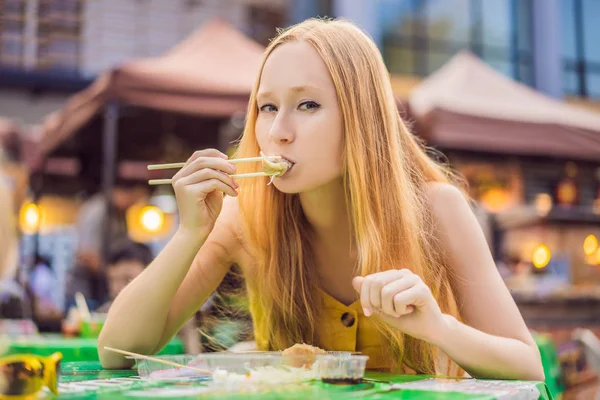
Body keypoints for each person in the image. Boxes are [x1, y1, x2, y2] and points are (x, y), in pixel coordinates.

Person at [99, 18, 544, 380]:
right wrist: (190, 233)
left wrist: (439, 328)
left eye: (307, 105)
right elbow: (118, 353)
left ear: (361, 118)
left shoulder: (435, 209)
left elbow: (528, 368)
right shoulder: (240, 214)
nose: (278, 132)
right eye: (267, 108)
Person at [97, 240, 201, 354]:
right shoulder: (106, 312)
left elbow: (193, 355)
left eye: (128, 279)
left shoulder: (175, 308)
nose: (118, 288)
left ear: (152, 274)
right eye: (112, 279)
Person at [67, 180, 148, 310]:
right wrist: (114, 273)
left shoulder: (120, 215)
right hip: (85, 288)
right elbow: (86, 254)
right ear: (119, 191)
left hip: (103, 286)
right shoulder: (97, 210)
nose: (133, 203)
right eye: (133, 198)